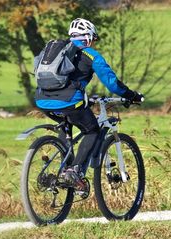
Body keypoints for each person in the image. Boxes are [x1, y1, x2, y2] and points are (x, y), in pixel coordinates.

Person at [34, 18, 144, 189]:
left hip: (42, 100)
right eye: (93, 39)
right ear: (88, 37)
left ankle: (63, 170)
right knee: (92, 130)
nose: (93, 43)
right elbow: (112, 83)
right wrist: (132, 95)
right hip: (69, 102)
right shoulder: (91, 55)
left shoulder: (55, 51)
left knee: (66, 124)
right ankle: (74, 171)